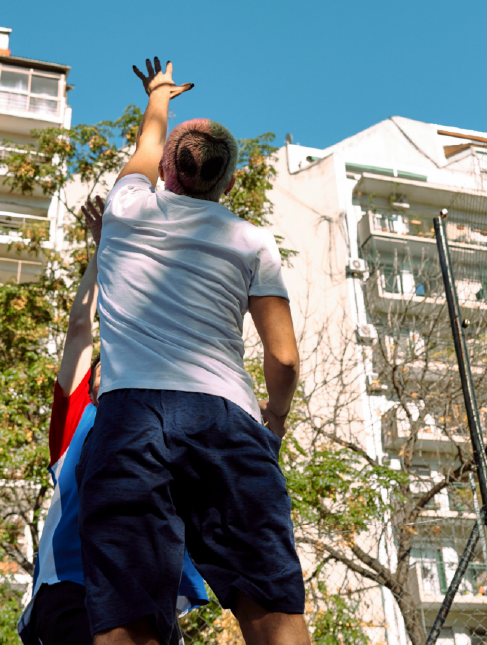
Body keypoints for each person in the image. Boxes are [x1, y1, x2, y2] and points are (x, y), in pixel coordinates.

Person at [78, 58, 310, 645]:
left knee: (127, 620)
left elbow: (150, 136)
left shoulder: (125, 208)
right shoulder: (251, 239)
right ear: (228, 185)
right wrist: (273, 423)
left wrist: (159, 95)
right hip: (224, 417)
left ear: (161, 172)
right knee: (272, 611)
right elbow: (282, 358)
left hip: (129, 418)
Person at [19, 197, 207, 645]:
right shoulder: (78, 424)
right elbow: (81, 327)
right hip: (75, 592)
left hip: (150, 601)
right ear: (94, 383)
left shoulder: (166, 429)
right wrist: (108, 251)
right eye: (109, 366)